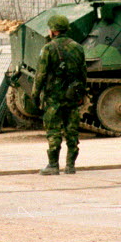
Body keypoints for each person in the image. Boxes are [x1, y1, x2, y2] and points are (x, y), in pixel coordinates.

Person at [32, 14, 87, 175]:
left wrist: (35, 95)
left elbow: (40, 75)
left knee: (53, 130)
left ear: (53, 31)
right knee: (72, 131)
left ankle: (53, 165)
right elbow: (83, 73)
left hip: (53, 97)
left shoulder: (48, 48)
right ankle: (70, 166)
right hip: (72, 96)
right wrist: (81, 93)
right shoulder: (78, 47)